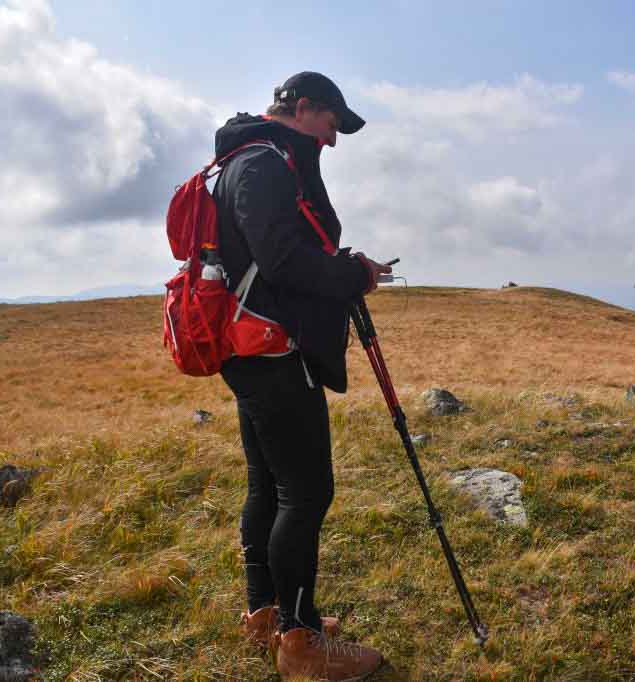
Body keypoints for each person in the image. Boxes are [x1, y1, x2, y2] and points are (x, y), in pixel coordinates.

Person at [212, 72, 391, 680]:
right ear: (304, 107)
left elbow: (276, 255)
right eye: (331, 125)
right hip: (274, 351)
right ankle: (301, 642)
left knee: (268, 485)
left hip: (250, 347)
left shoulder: (246, 158)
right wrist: (353, 275)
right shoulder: (265, 166)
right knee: (306, 493)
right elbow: (284, 261)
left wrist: (340, 268)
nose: (334, 141)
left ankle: (267, 613)